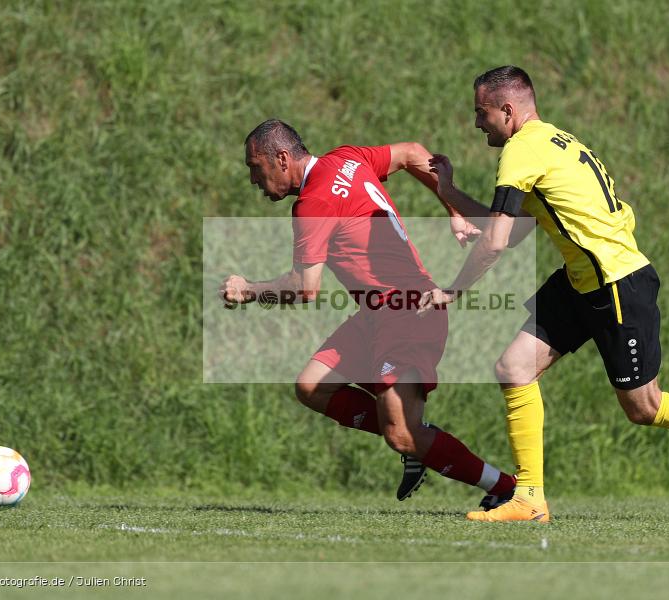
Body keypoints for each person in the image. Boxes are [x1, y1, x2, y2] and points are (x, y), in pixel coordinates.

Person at [417, 66, 669, 523]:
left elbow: (495, 242)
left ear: (507, 110)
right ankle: (530, 498)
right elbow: (509, 232)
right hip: (581, 280)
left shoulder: (520, 151)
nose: (476, 123)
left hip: (616, 284)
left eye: (481, 112)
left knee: (644, 407)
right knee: (514, 367)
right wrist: (449, 192)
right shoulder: (552, 141)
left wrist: (452, 290)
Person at [221, 119, 516, 505]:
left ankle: (505, 488)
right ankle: (420, 436)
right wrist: (453, 207)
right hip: (378, 313)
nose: (253, 180)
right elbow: (413, 151)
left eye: (255, 168)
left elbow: (304, 288)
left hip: (409, 312)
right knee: (312, 386)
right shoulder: (347, 159)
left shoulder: (313, 204)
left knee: (401, 436)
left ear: (281, 158)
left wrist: (247, 292)